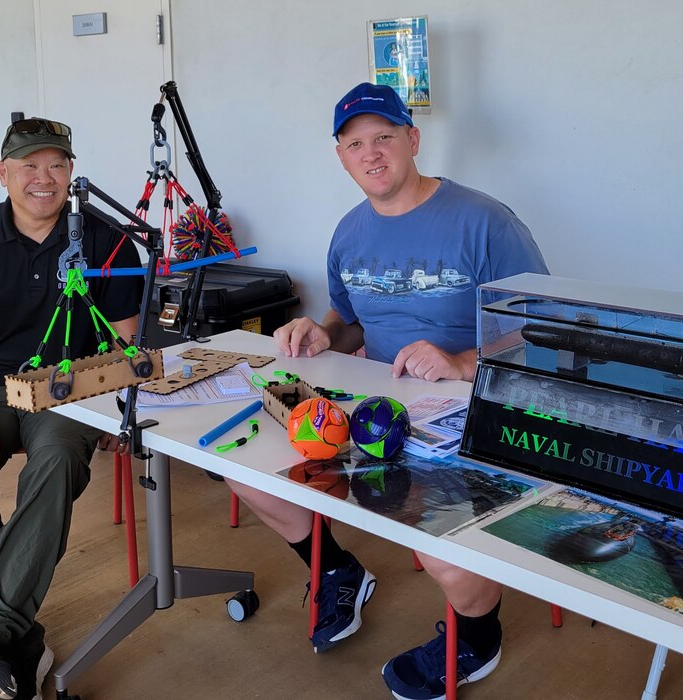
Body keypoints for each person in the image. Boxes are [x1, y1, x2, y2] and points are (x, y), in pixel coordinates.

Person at [227, 82, 548, 699]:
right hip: (380, 413)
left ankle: (478, 639)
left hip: (474, 409)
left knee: (439, 546)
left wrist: (460, 360)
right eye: (355, 145)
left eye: (383, 138)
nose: (371, 154)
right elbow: (347, 323)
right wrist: (321, 335)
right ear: (341, 157)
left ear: (413, 140)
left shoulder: (485, 222)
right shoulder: (349, 233)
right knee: (246, 470)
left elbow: (546, 338)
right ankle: (338, 572)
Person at [0, 117, 143, 700]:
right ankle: (10, 639)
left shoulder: (105, 237)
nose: (44, 178)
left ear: (71, 173)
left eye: (57, 165)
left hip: (65, 388)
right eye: (29, 165)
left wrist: (124, 403)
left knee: (57, 463)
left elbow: (126, 339)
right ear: (3, 173)